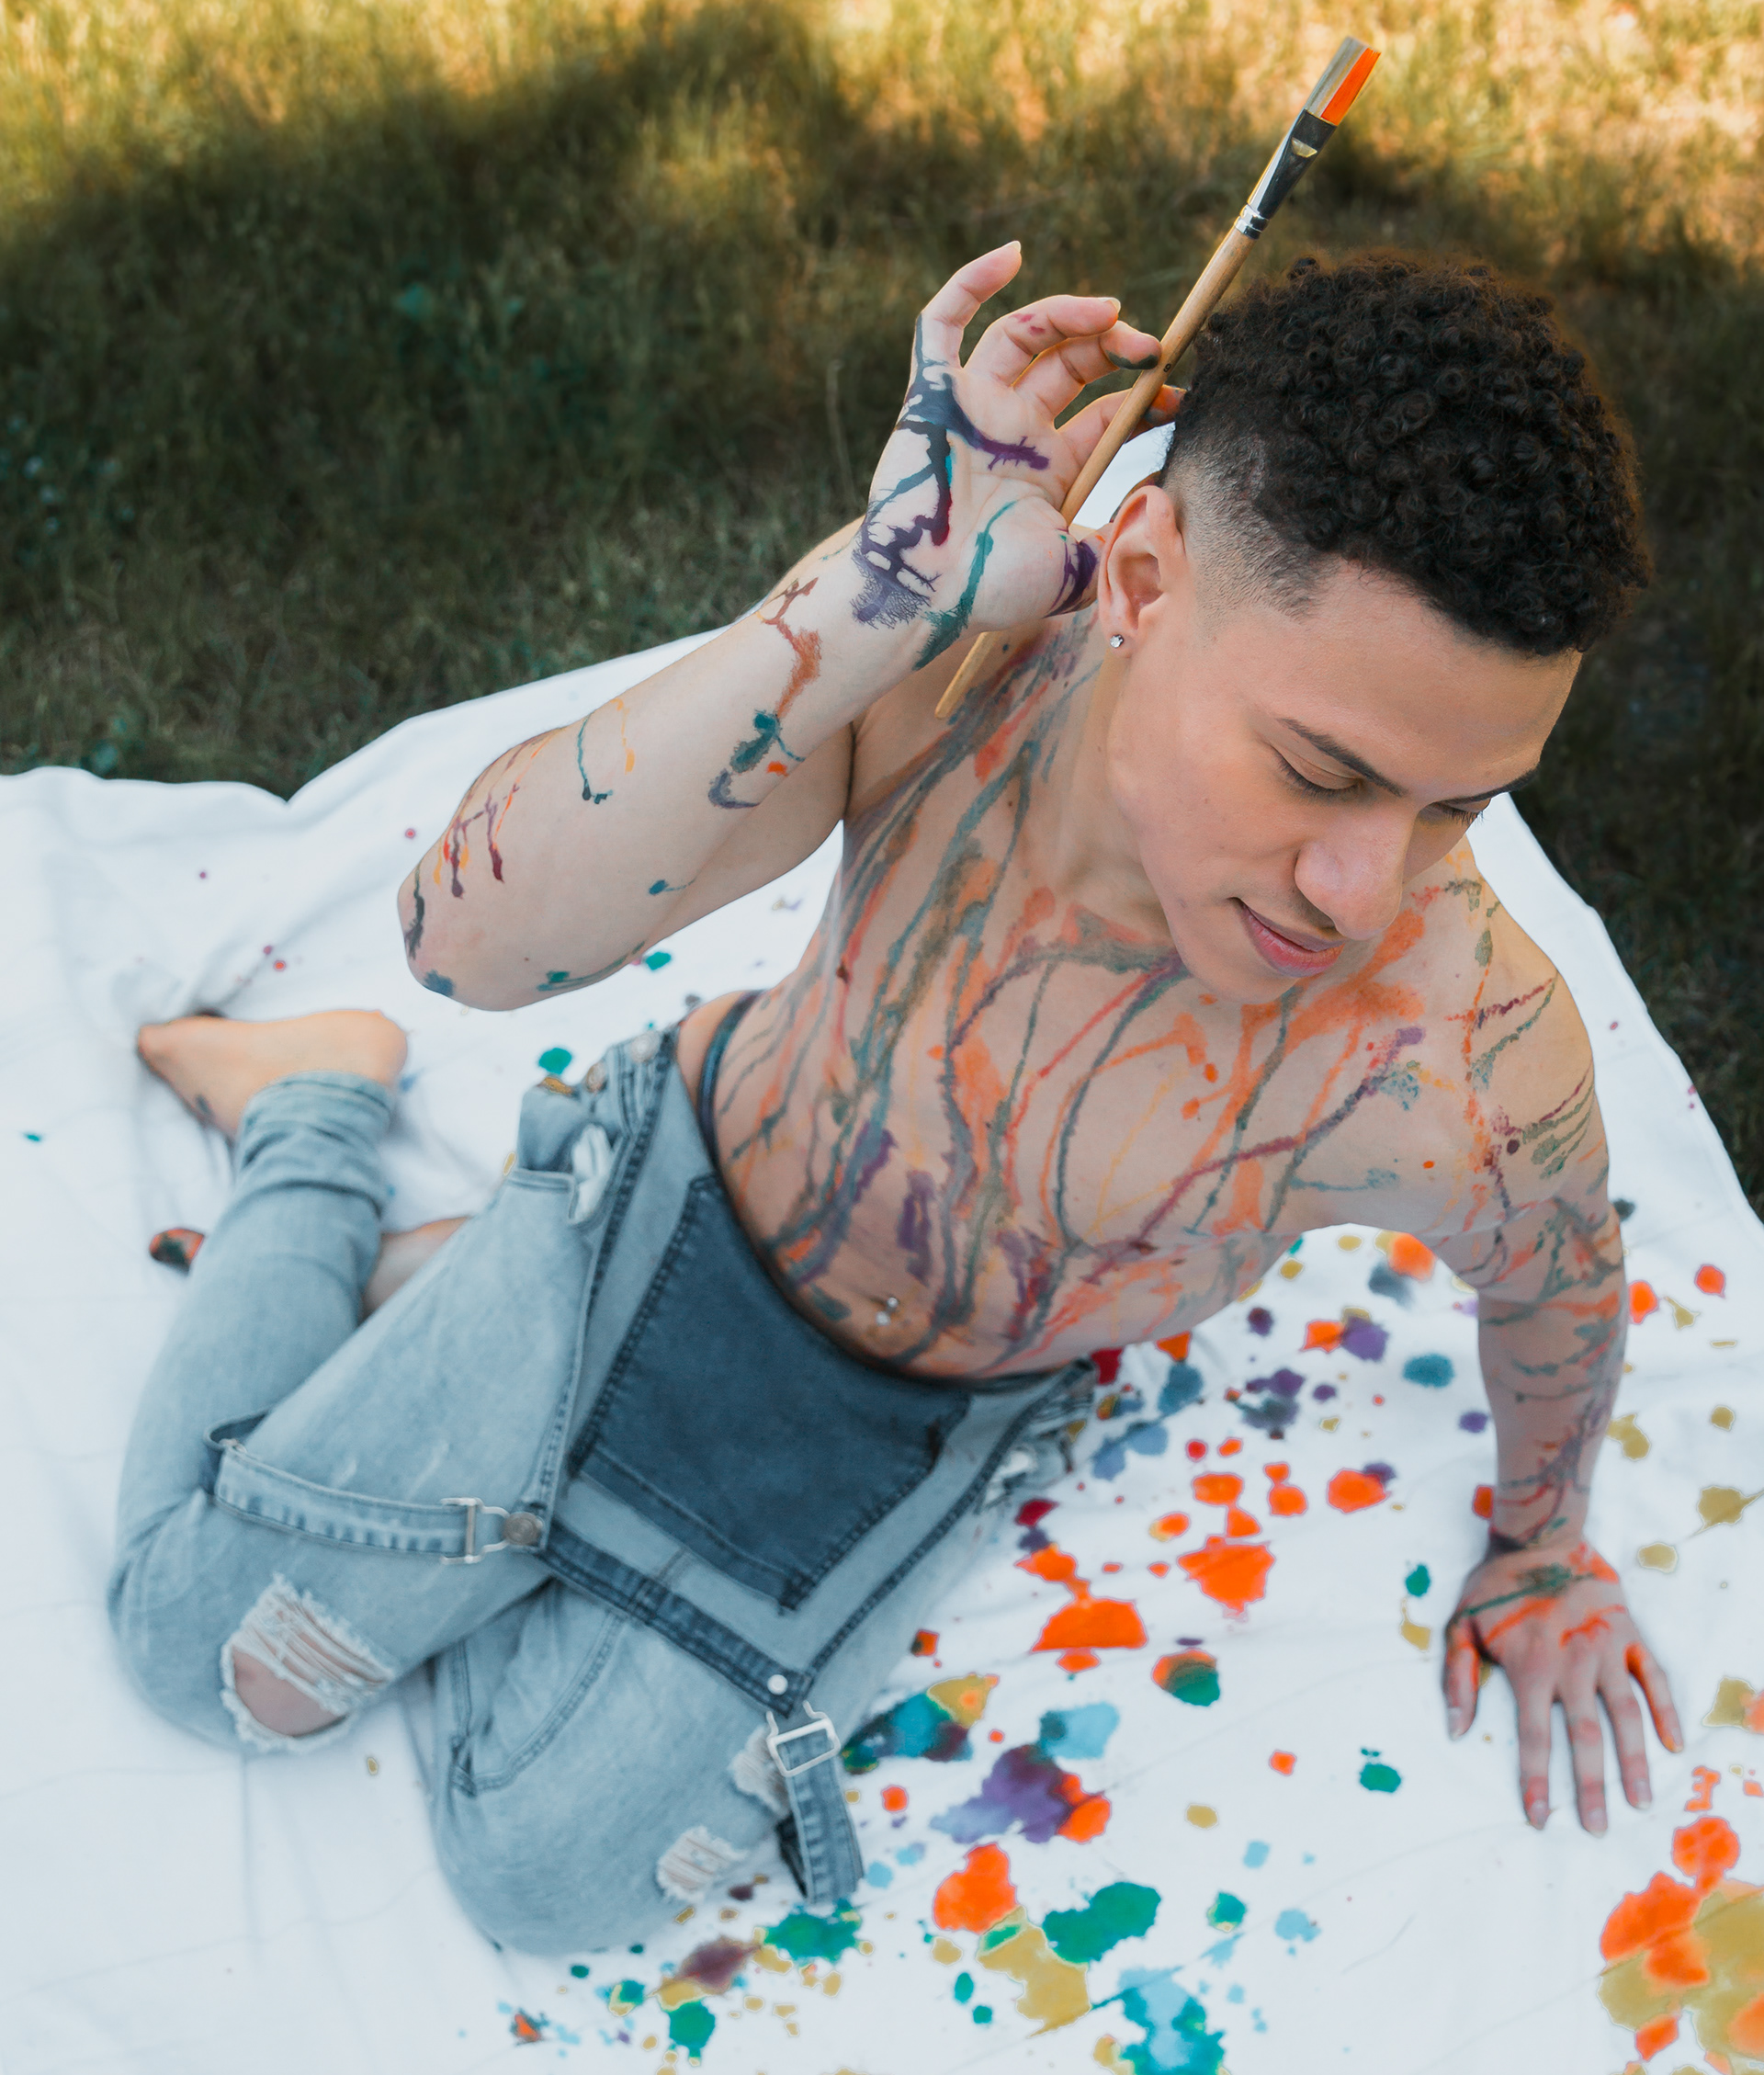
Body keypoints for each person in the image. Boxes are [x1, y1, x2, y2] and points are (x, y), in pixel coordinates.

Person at [118, 245, 1681, 1956]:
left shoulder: (1457, 1061)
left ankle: (459, 1322)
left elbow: (1560, 1280)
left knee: (542, 1881)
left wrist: (1542, 1548)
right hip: (671, 1197)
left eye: (1459, 808)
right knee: (209, 1662)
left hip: (932, 1414)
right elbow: (461, 942)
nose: (1364, 891)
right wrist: (876, 592)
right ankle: (318, 1107)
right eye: (1321, 770)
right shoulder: (949, 672)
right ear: (1142, 581)